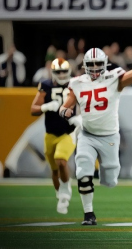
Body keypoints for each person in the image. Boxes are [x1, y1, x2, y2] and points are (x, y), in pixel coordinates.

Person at [59, 41, 132, 225]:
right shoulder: (77, 83)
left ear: (105, 64)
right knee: (83, 169)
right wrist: (65, 112)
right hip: (87, 135)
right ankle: (88, 214)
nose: (94, 68)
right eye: (90, 64)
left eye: (97, 64)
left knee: (110, 180)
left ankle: (105, 180)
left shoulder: (114, 78)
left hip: (109, 136)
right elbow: (65, 106)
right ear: (84, 65)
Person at [30, 58, 81, 214]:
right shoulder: (46, 85)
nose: (61, 74)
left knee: (61, 160)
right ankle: (61, 193)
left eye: (63, 71)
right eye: (58, 72)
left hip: (68, 132)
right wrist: (46, 106)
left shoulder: (75, 84)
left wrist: (81, 117)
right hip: (50, 133)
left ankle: (66, 190)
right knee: (54, 170)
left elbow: (87, 103)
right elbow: (33, 109)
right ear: (52, 72)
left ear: (69, 71)